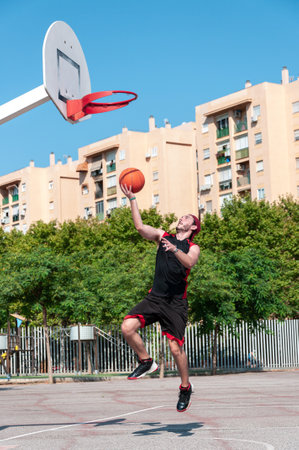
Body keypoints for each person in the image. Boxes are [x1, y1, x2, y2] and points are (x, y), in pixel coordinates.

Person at [120, 184, 200, 412]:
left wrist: (174, 250)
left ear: (193, 226)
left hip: (175, 303)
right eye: (181, 217)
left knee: (176, 349)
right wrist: (133, 199)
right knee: (127, 327)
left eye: (186, 218)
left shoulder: (193, 246)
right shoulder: (163, 235)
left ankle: (185, 387)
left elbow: (190, 262)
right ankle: (146, 361)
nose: (181, 219)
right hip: (155, 298)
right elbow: (139, 227)